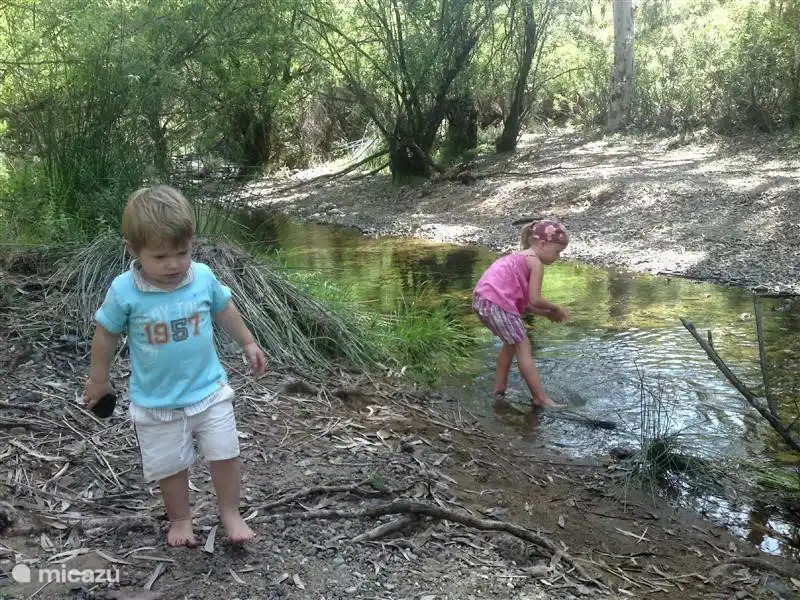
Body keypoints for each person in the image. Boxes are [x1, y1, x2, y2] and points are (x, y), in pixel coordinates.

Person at [83, 184, 268, 548]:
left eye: (182, 252)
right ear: (133, 251)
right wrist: (99, 379)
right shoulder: (125, 291)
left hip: (209, 390)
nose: (173, 264)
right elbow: (106, 334)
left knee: (225, 453)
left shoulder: (201, 277)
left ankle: (231, 512)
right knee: (170, 465)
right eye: (160, 256)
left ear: (191, 244)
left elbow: (224, 310)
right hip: (157, 401)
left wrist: (248, 342)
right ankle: (181, 519)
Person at [472, 219, 571, 411]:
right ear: (543, 244)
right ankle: (540, 398)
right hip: (496, 303)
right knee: (523, 345)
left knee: (511, 344)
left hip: (482, 300)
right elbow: (536, 299)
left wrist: (546, 314)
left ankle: (499, 390)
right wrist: (556, 308)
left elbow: (526, 305)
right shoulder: (535, 262)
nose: (558, 257)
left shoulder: (519, 258)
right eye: (557, 251)